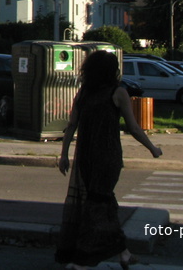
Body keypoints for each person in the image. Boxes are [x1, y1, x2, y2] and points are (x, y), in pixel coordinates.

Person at [56, 50, 162, 270]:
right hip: (107, 156)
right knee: (99, 204)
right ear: (111, 71)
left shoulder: (83, 92)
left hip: (86, 156)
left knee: (101, 202)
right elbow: (133, 127)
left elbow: (71, 126)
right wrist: (153, 148)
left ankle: (122, 253)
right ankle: (85, 258)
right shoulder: (118, 92)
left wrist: (64, 154)